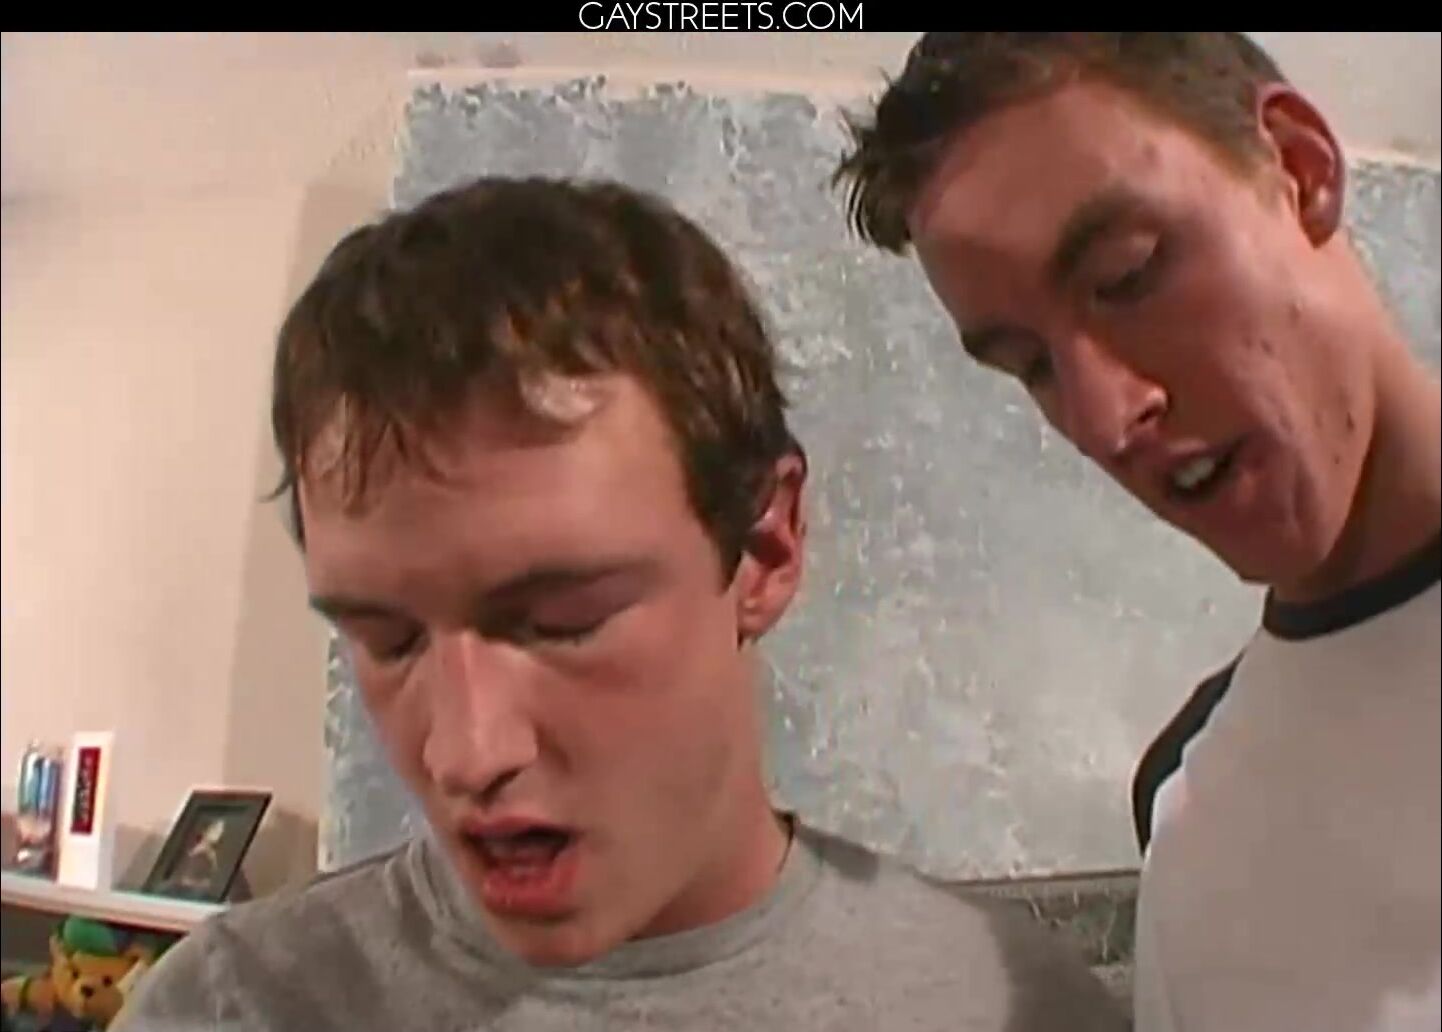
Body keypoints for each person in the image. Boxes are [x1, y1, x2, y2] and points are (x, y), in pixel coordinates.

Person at [114, 176, 1124, 1031]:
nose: (468, 751)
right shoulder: (234, 1008)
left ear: (764, 549)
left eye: (563, 621)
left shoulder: (1010, 1009)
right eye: (387, 639)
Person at [834, 31, 1441, 1032]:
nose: (1102, 417)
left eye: (1128, 277)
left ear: (1299, 168)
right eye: (1029, 365)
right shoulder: (1197, 821)